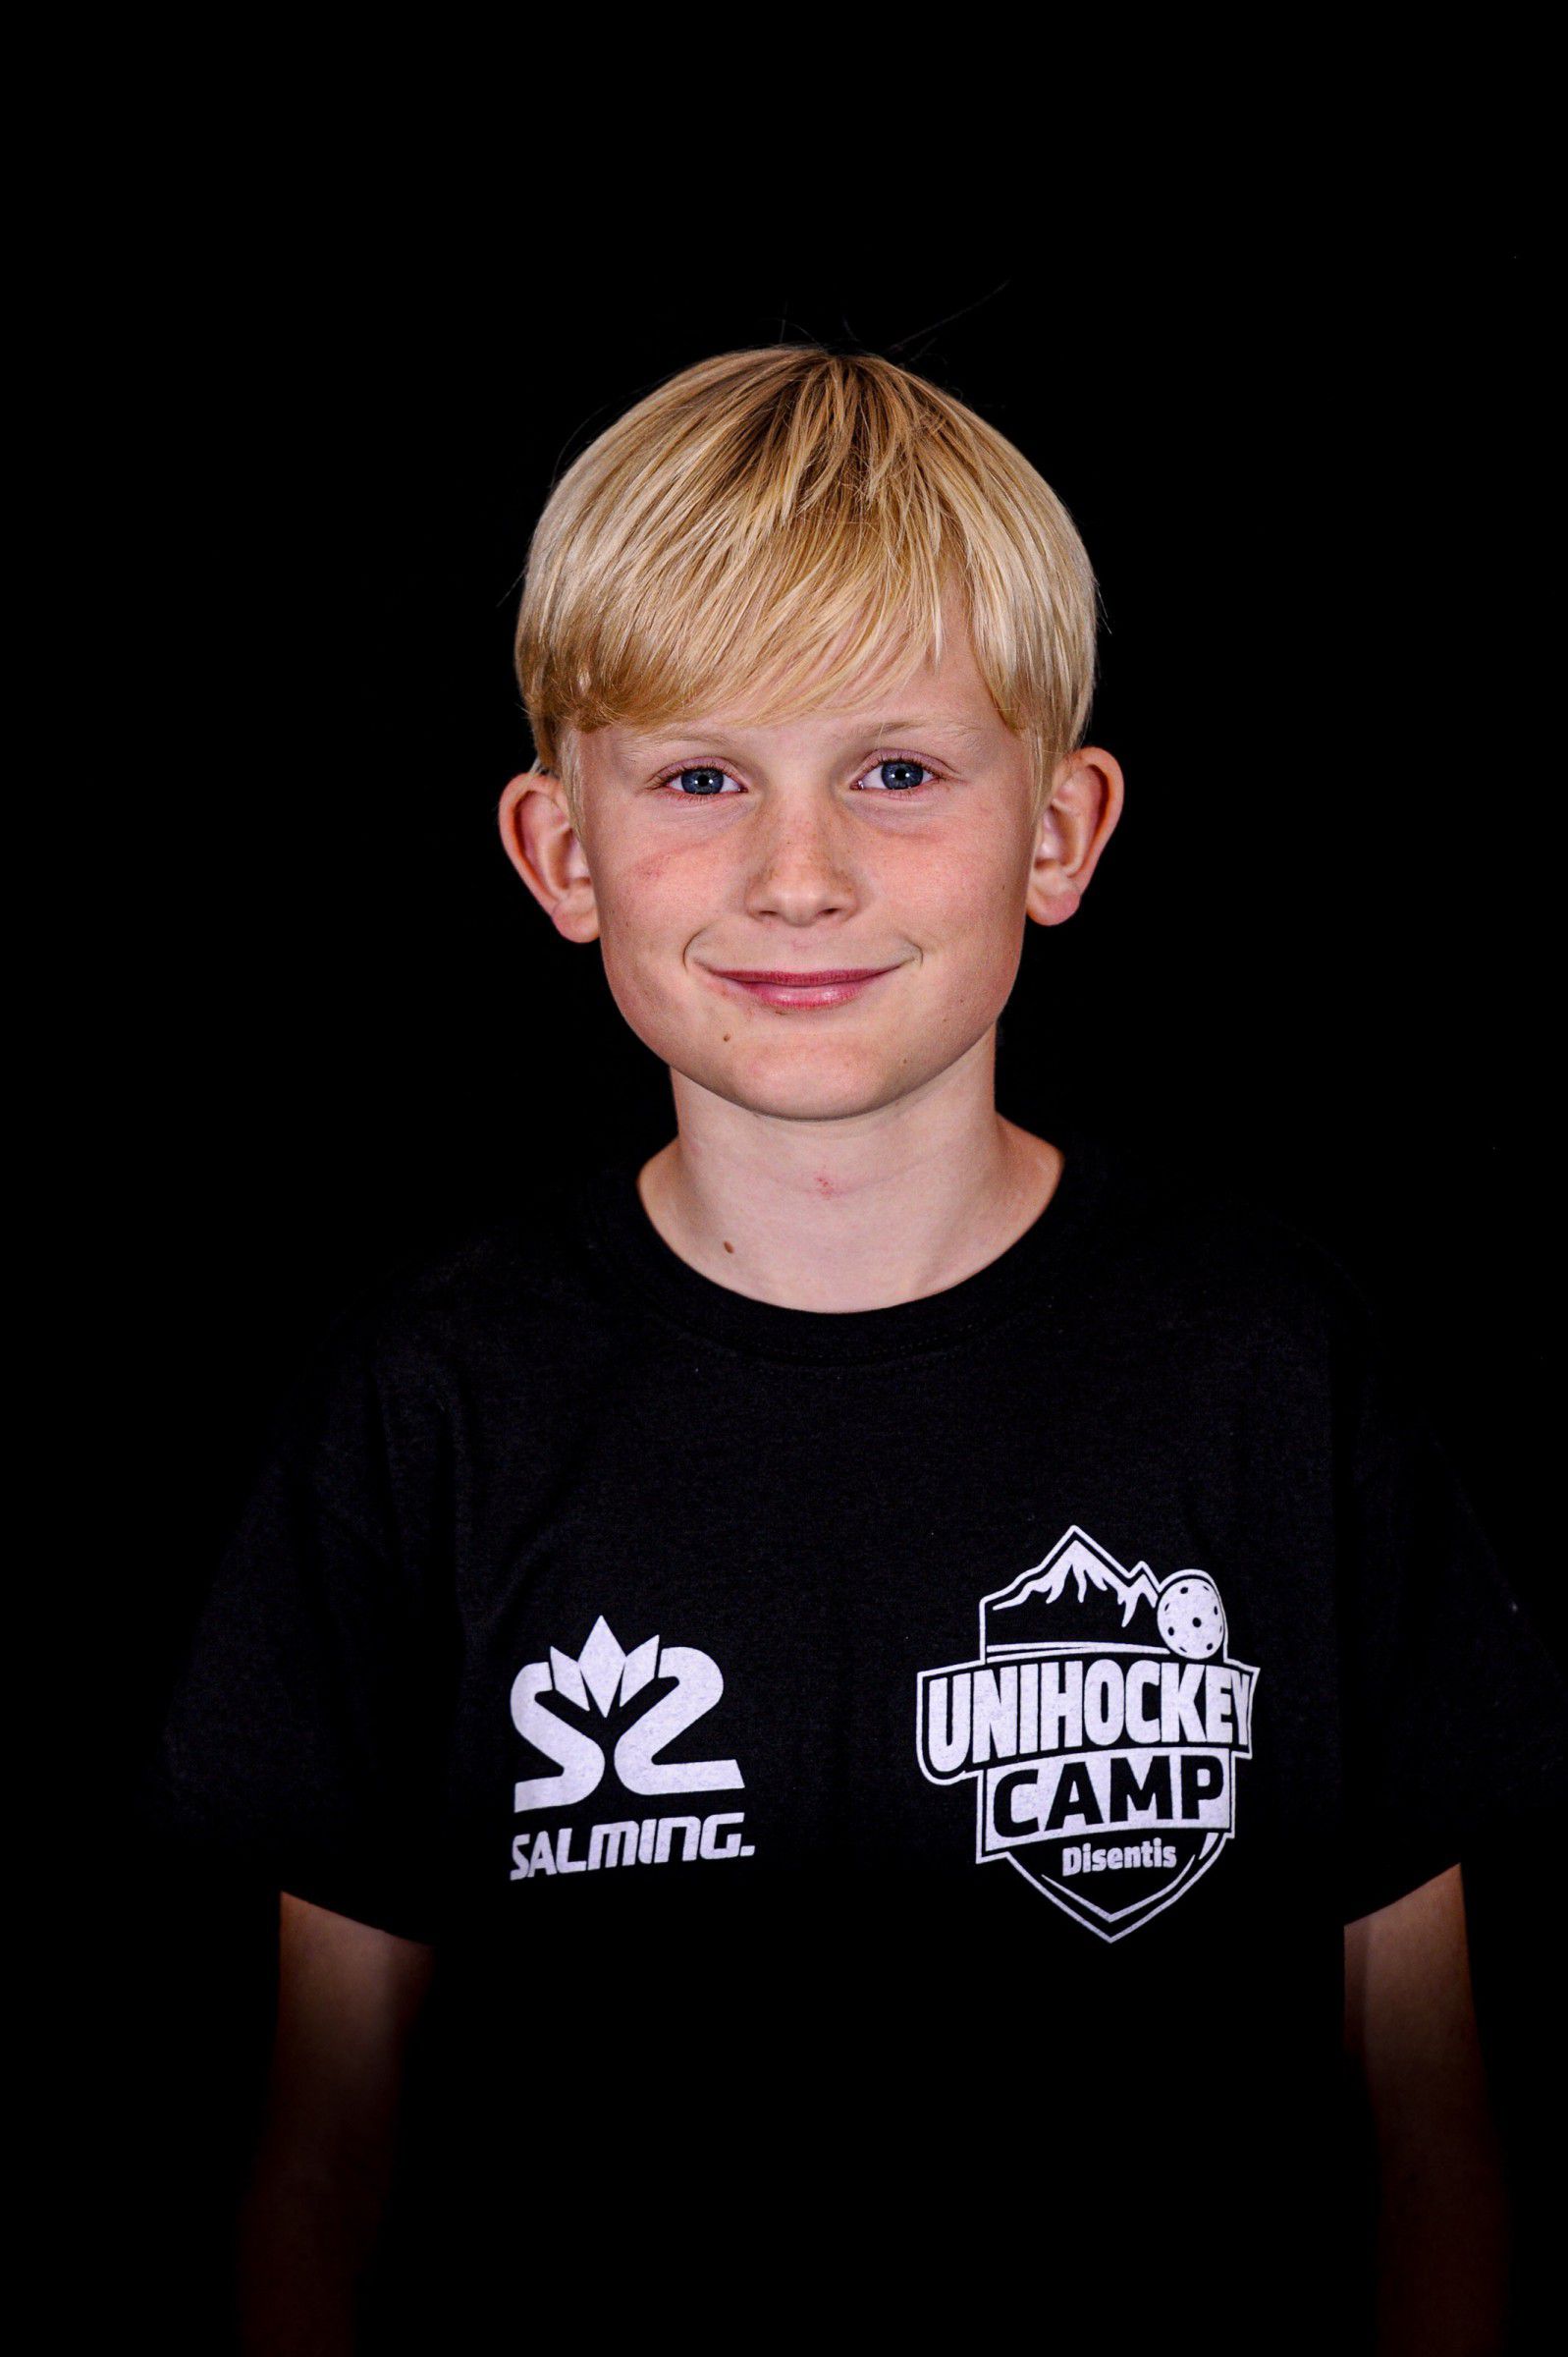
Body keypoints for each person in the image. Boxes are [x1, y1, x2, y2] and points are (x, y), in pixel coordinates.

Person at [137, 346, 1566, 2354]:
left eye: (896, 772)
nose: (795, 875)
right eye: (698, 777)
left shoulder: (1263, 1365)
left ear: (1058, 828)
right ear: (559, 851)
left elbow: (1423, 2114)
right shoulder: (430, 1403)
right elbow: (323, 2147)